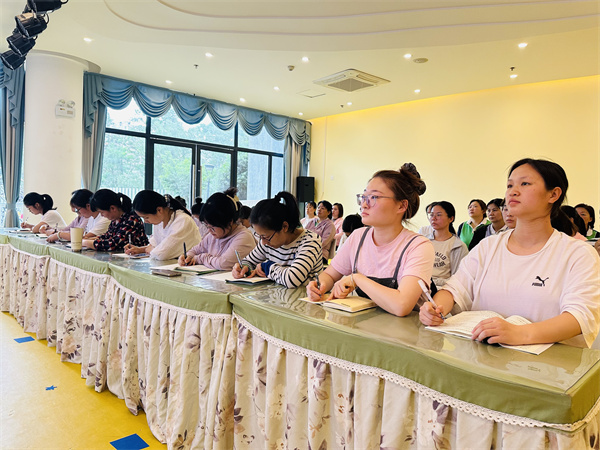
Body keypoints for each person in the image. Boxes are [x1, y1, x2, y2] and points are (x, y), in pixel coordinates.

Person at [420, 158, 600, 348]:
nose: (513, 191)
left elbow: (580, 316)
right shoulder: (487, 247)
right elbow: (454, 289)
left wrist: (520, 333)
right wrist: (434, 309)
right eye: (509, 185)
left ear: (553, 194)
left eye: (525, 183)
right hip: (481, 359)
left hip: (547, 364)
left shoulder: (578, 254)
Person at [306, 163, 435, 317]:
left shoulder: (418, 246)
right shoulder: (358, 237)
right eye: (363, 197)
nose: (364, 205)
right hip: (363, 324)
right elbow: (330, 274)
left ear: (401, 206)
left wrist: (357, 279)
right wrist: (318, 285)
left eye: (374, 197)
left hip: (405, 330)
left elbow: (402, 305)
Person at [232, 191, 323, 288]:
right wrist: (244, 268)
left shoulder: (310, 241)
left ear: (284, 227)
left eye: (265, 237)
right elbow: (249, 261)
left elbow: (292, 279)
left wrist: (267, 266)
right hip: (277, 295)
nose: (263, 242)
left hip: (305, 295)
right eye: (259, 236)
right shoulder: (267, 242)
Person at [178, 190, 255, 270]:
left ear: (229, 222)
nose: (209, 230)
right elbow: (196, 250)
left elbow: (223, 264)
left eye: (212, 227)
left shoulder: (244, 237)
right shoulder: (213, 235)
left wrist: (200, 258)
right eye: (206, 226)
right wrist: (187, 257)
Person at [124, 190, 201, 260]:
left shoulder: (182, 220)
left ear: (159, 210)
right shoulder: (159, 221)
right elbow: (154, 246)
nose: (146, 221)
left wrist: (151, 250)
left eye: (146, 217)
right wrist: (140, 249)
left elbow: (162, 254)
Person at [84, 189, 148, 251]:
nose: (101, 215)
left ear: (112, 208)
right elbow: (107, 236)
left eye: (102, 212)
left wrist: (85, 242)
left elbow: (112, 245)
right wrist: (90, 239)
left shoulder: (132, 220)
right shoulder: (115, 220)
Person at [425, 201, 468, 288]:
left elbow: (459, 278)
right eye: (432, 215)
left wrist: (434, 283)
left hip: (445, 289)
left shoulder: (458, 246)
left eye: (438, 215)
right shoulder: (424, 241)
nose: (433, 218)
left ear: (451, 219)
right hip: (422, 286)